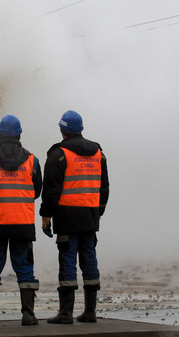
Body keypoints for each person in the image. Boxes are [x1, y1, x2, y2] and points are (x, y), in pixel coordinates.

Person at [40, 110, 110, 324]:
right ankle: (90, 312)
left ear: (62, 130)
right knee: (89, 259)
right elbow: (104, 187)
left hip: (67, 216)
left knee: (68, 259)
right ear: (80, 129)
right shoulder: (98, 152)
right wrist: (98, 211)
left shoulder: (58, 154)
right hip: (89, 216)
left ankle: (66, 313)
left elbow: (51, 190)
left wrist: (46, 216)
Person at [0, 115, 43, 326]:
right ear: (19, 135)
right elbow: (36, 191)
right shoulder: (32, 161)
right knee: (24, 267)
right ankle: (28, 315)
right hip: (22, 224)